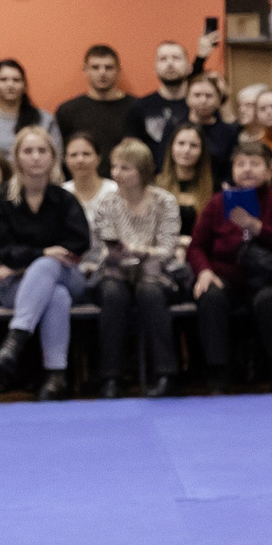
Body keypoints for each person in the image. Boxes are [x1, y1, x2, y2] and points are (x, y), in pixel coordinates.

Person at [0, 128, 91, 400]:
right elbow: (4, 252)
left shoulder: (65, 199)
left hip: (67, 273)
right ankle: (56, 375)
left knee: (47, 267)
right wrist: (42, 252)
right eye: (28, 151)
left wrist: (31, 259)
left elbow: (79, 242)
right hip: (15, 285)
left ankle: (16, 337)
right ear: (16, 157)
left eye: (42, 151)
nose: (36, 157)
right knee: (56, 294)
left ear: (53, 157)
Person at [186, 139, 272, 390]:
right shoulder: (218, 202)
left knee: (270, 299)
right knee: (210, 295)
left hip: (267, 277)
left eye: (254, 164)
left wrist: (258, 227)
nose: (247, 169)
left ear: (269, 170)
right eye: (240, 164)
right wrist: (204, 271)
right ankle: (217, 373)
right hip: (226, 275)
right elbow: (196, 246)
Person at [83, 138, 186, 396]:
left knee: (150, 292)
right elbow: (102, 246)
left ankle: (166, 374)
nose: (117, 173)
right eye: (115, 167)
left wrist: (139, 251)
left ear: (142, 171)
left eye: (125, 168)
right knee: (112, 294)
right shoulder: (106, 203)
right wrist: (118, 253)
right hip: (116, 270)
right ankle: (110, 377)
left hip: (156, 272)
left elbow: (167, 249)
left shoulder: (165, 201)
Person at [130, 35, 217, 167]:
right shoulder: (139, 107)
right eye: (163, 59)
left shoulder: (202, 105)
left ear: (189, 67)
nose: (170, 63)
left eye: (176, 58)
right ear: (155, 68)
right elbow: (131, 153)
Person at [54, 45, 136, 153]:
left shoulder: (136, 109)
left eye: (108, 67)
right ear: (85, 70)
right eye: (95, 67)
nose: (102, 73)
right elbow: (58, 153)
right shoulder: (67, 111)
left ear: (118, 70)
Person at [0, 60, 57, 158]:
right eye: (3, 80)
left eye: (16, 80)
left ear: (24, 84)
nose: (10, 85)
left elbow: (56, 157)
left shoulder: (45, 119)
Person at [155, 124, 217, 241]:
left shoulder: (214, 188)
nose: (186, 150)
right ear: (171, 147)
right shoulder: (155, 185)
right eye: (181, 143)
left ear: (202, 151)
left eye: (194, 145)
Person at [61, 133, 112, 225]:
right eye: (73, 155)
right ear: (65, 160)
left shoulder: (114, 191)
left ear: (98, 158)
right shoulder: (60, 194)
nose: (80, 160)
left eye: (86, 154)